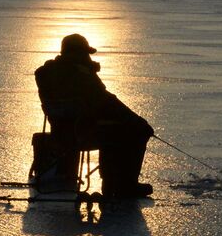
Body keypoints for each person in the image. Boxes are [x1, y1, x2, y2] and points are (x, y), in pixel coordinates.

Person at [34, 33, 154, 198]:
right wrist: (136, 120)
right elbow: (106, 102)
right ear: (77, 54)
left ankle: (116, 182)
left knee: (114, 129)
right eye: (85, 53)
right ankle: (124, 184)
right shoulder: (82, 75)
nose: (88, 57)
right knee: (137, 131)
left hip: (60, 134)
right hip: (84, 134)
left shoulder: (45, 74)